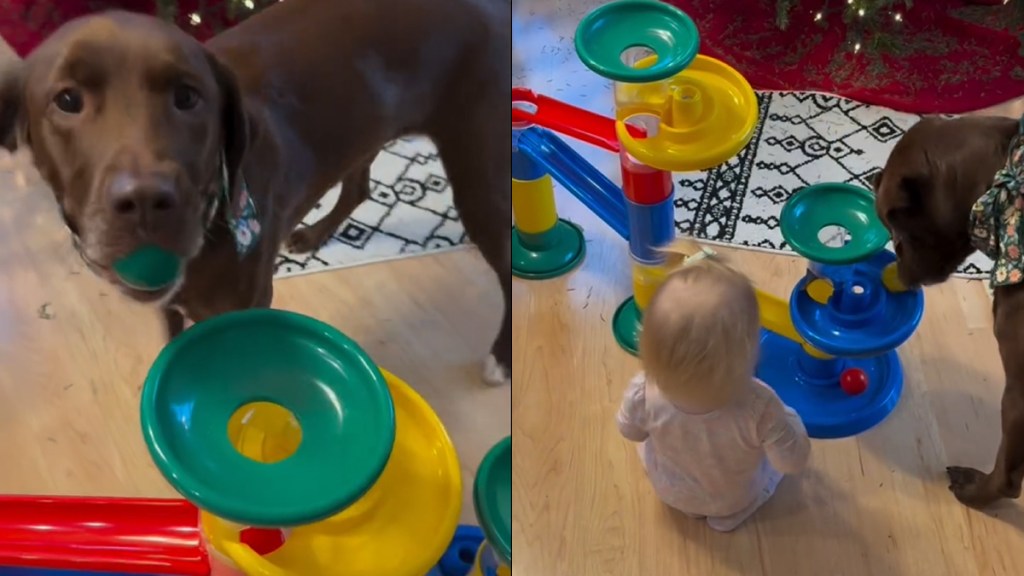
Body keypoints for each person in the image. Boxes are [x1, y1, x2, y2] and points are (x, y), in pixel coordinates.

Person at [616, 239, 811, 532]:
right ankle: (729, 517)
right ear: (749, 351)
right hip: (734, 497)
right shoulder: (761, 406)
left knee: (648, 446)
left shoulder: (644, 391)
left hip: (671, 491)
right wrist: (791, 423)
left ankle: (692, 509)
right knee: (772, 465)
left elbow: (629, 430)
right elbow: (793, 461)